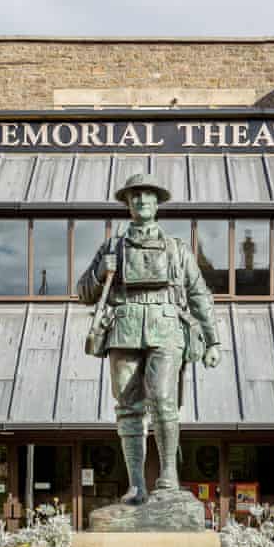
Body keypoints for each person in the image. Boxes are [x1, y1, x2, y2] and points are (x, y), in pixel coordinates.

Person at [78, 173, 220, 504]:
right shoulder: (111, 247)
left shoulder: (177, 250)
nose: (142, 200)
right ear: (127, 204)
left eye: (148, 195)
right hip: (124, 328)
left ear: (158, 203)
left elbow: (199, 295)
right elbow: (84, 292)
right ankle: (137, 485)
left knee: (165, 402)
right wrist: (102, 272)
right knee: (128, 409)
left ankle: (168, 476)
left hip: (166, 328)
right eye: (135, 196)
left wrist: (213, 341)